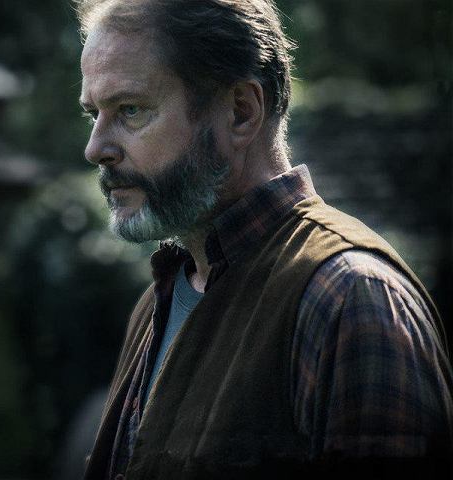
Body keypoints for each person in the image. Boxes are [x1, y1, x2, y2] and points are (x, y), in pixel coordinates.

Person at [75, 0, 453, 478]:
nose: (95, 149)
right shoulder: (159, 301)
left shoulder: (350, 296)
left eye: (130, 110)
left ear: (240, 112)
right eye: (94, 113)